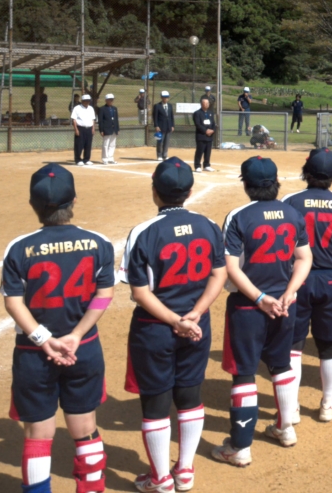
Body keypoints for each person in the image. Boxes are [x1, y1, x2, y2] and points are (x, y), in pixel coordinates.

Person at [1, 164, 115, 493]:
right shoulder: (98, 243)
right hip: (84, 349)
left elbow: (14, 303)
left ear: (33, 204)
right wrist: (76, 335)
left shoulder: (19, 247)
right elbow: (104, 295)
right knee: (85, 427)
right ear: (74, 200)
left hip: (34, 354)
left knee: (38, 435)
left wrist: (44, 339)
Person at [119, 158, 227, 493]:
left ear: (155, 191)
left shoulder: (143, 232)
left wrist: (174, 320)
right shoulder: (208, 225)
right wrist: (195, 314)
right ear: (190, 191)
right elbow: (219, 274)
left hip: (154, 328)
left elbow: (140, 293)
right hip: (198, 326)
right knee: (190, 394)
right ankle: (185, 471)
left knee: (155, 402)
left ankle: (161, 479)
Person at [212, 156, 312, 465]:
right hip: (285, 305)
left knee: (244, 372)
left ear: (246, 184)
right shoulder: (293, 213)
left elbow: (230, 267)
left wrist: (259, 298)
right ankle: (285, 428)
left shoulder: (239, 216)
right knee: (281, 365)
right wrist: (290, 292)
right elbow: (304, 258)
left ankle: (240, 447)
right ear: (276, 182)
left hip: (248, 306)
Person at [283, 149, 332, 422]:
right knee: (329, 345)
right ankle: (327, 403)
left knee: (294, 345)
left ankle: (291, 407)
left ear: (306, 172)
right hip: (330, 279)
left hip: (297, 279)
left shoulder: (290, 201)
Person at [71, 94, 97, 167]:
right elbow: (74, 119)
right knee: (79, 145)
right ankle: (78, 159)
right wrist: (76, 129)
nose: (87, 102)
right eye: (86, 101)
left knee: (88, 145)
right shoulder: (77, 108)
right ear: (82, 101)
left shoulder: (91, 108)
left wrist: (93, 128)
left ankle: (86, 159)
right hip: (80, 128)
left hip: (89, 128)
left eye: (88, 101)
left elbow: (93, 119)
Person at [193, 97, 216, 173]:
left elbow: (213, 123)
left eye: (208, 103)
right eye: (205, 103)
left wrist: (212, 130)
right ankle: (197, 166)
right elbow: (198, 124)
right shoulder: (197, 113)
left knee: (208, 151)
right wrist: (205, 131)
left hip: (209, 136)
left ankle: (206, 165)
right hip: (201, 136)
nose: (207, 104)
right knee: (200, 151)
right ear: (202, 104)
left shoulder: (210, 113)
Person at [98, 94, 119, 165]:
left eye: (112, 100)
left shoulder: (114, 108)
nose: (111, 101)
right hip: (106, 128)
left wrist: (117, 129)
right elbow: (100, 120)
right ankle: (105, 158)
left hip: (114, 129)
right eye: (110, 100)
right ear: (106, 100)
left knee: (112, 144)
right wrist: (101, 130)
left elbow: (116, 119)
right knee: (105, 144)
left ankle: (110, 157)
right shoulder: (102, 109)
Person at [153, 91, 174, 161]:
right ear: (161, 98)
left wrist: (172, 125)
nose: (166, 99)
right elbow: (155, 117)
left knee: (166, 142)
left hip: (168, 126)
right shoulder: (157, 106)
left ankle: (165, 155)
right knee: (160, 141)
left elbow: (171, 116)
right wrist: (156, 125)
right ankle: (159, 155)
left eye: (167, 97)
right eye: (164, 97)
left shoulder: (170, 106)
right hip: (160, 127)